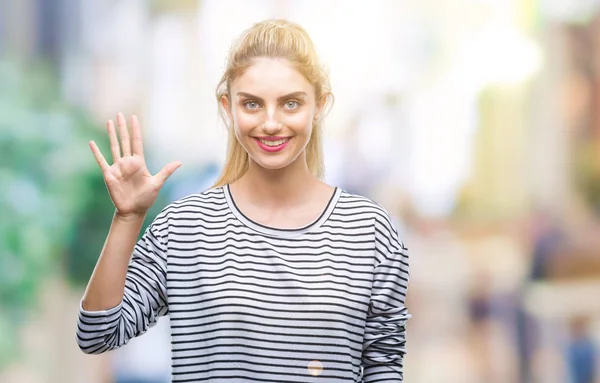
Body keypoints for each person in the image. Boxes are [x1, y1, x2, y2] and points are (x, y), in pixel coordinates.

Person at [76, 19, 411, 382]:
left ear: (319, 106)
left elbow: (383, 371)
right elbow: (98, 335)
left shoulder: (370, 231)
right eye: (252, 104)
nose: (270, 123)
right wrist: (128, 217)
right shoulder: (185, 227)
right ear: (228, 106)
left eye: (291, 104)